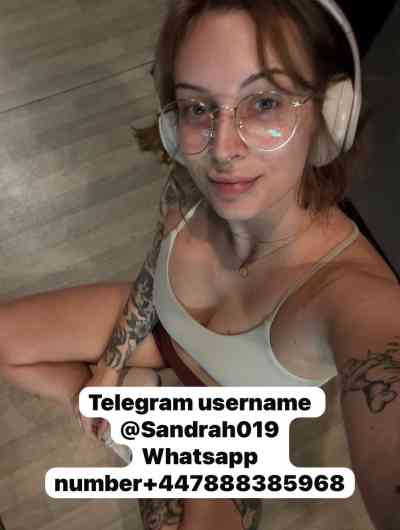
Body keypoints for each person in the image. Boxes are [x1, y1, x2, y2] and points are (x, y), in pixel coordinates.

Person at [1, 1, 399, 529]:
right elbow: (152, 272)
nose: (222, 150)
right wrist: (108, 373)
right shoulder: (188, 188)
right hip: (165, 338)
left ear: (331, 115)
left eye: (264, 103)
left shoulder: (353, 295)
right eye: (197, 108)